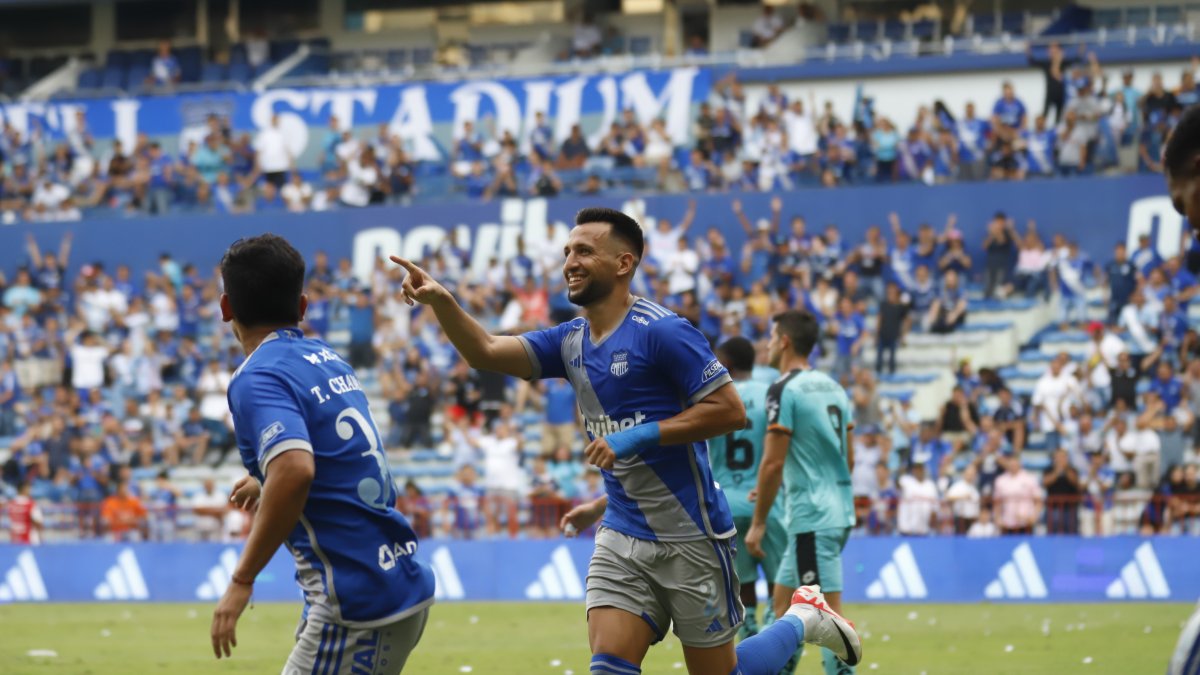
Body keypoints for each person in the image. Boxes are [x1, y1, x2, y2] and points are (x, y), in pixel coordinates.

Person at [390, 209, 860, 675]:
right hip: (621, 534)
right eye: (568, 251)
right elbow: (486, 351)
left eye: (585, 251)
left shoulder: (663, 332)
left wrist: (636, 436)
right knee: (610, 667)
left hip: (691, 536)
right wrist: (443, 302)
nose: (570, 261)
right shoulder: (568, 341)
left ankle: (802, 618)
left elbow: (729, 411)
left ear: (624, 263)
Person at [208, 234, 434, 672]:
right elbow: (335, 450)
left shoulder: (256, 377)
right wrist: (264, 478)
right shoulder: (327, 358)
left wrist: (241, 581)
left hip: (357, 599)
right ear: (304, 306)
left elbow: (295, 470)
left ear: (226, 308)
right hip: (395, 575)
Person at [747, 310, 861, 675]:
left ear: (784, 341)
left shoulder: (783, 390)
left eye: (770, 335)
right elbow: (850, 457)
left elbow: (773, 464)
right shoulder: (834, 387)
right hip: (832, 510)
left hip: (812, 517)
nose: (765, 344)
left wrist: (759, 522)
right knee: (782, 609)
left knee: (828, 620)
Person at [708, 337, 787, 641]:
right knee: (780, 580)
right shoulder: (769, 395)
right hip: (766, 500)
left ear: (727, 363)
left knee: (743, 579)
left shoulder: (714, 398)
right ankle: (774, 637)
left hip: (726, 501)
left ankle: (751, 634)